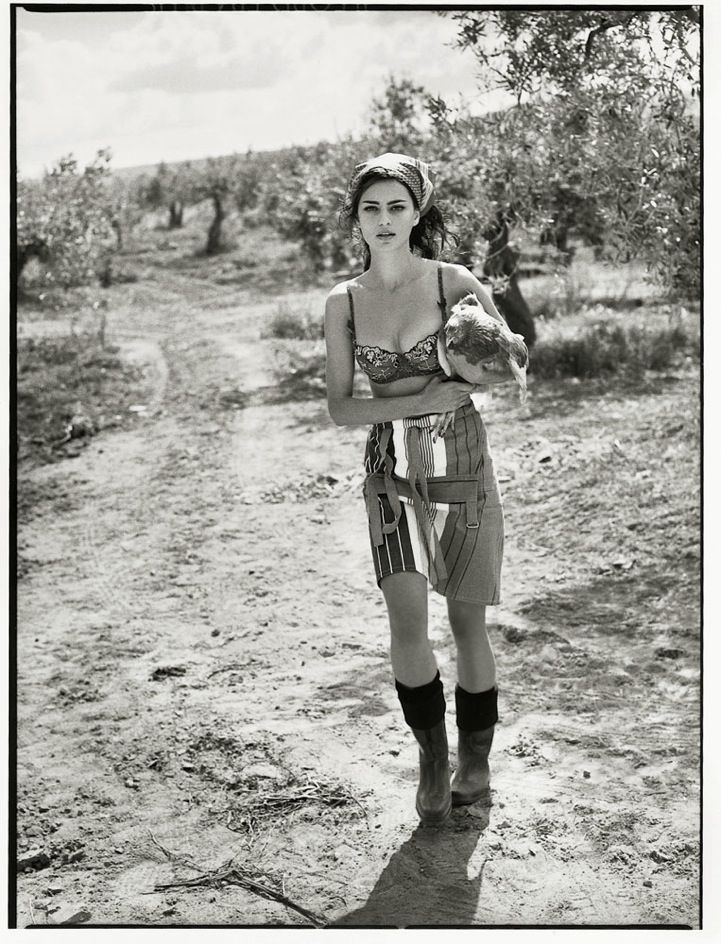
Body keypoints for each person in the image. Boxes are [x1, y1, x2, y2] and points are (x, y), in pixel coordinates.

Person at [324, 152, 515, 824]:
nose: (382, 220)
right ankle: (431, 763)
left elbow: (509, 364)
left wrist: (479, 362)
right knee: (406, 620)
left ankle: (475, 759)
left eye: (395, 207)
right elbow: (341, 407)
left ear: (416, 213)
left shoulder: (451, 283)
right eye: (370, 208)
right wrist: (413, 401)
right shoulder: (343, 302)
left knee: (466, 622)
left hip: (459, 456)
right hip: (388, 467)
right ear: (355, 217)